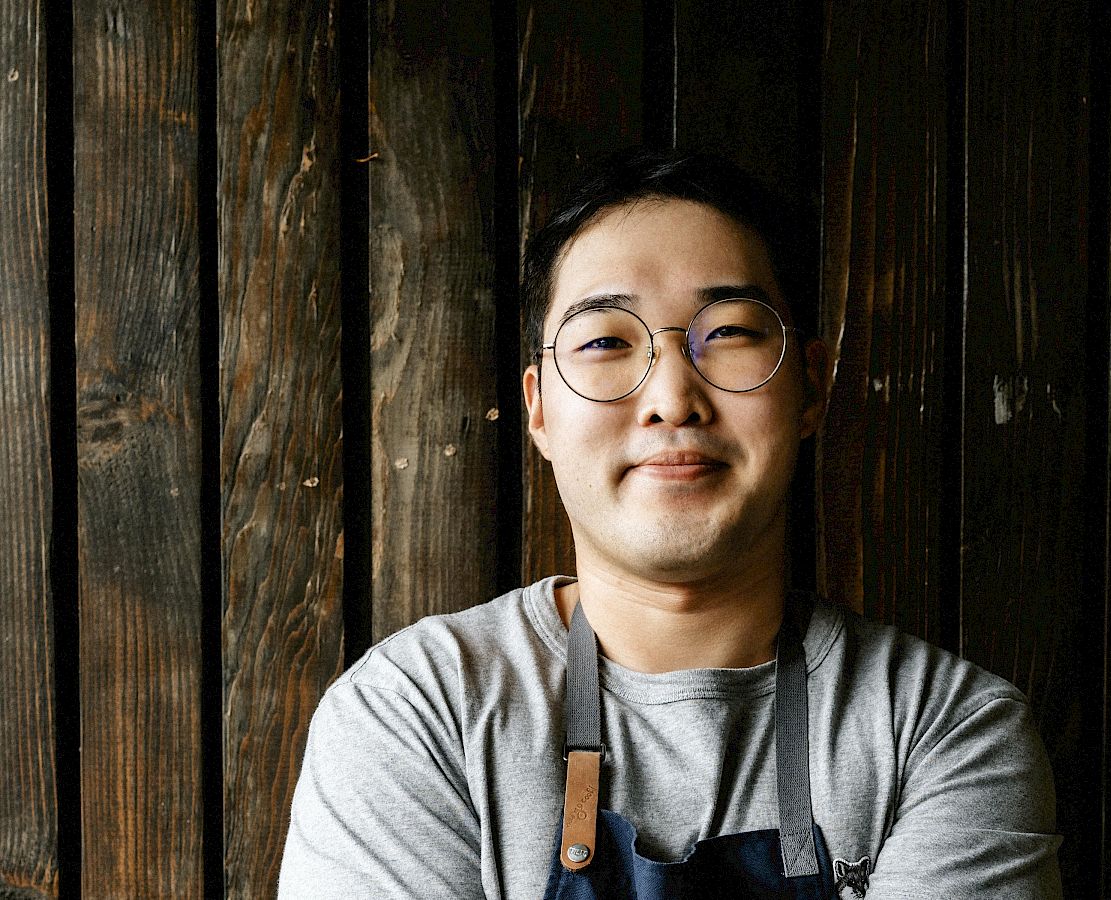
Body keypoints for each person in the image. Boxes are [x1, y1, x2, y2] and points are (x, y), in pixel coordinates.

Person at [278, 148, 1063, 899]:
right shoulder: (415, 716)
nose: (671, 397)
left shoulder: (943, 732)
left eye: (725, 333)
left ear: (812, 389)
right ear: (539, 410)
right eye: (605, 342)